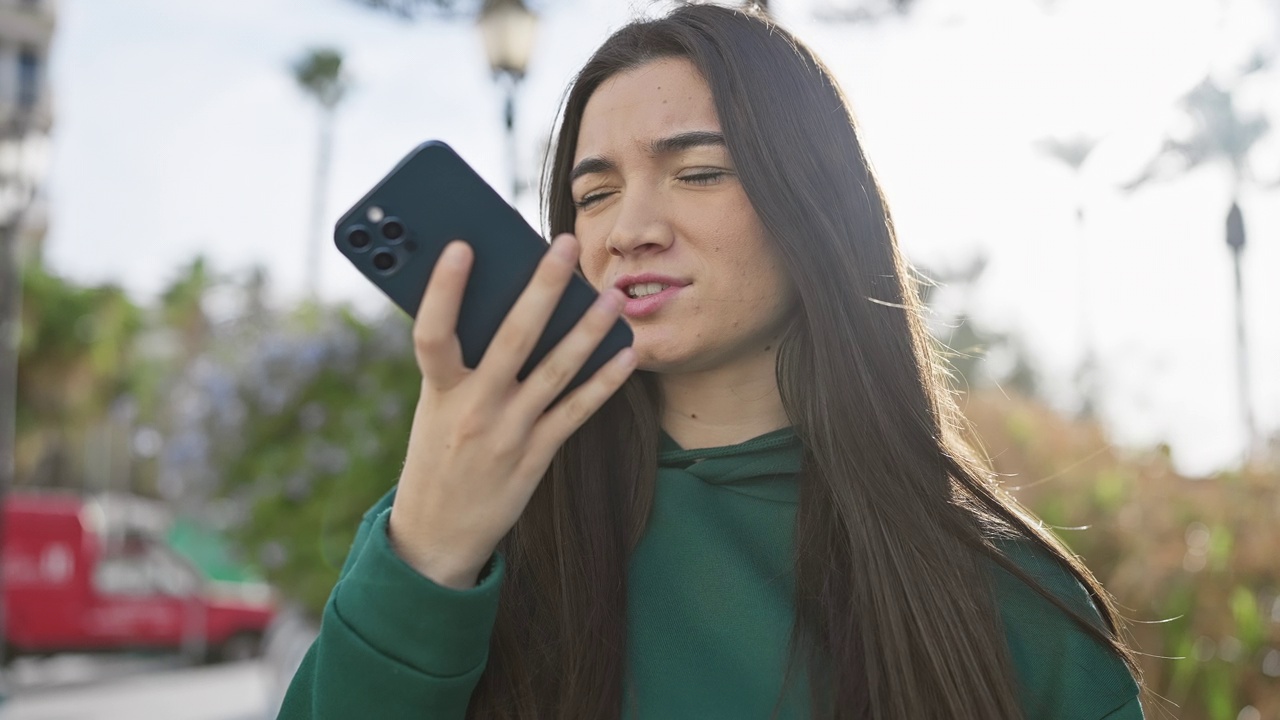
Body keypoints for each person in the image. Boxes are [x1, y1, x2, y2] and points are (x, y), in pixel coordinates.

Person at [278, 3, 1144, 718]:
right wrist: (427, 551)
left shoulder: (1008, 596)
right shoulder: (476, 533)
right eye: (595, 193)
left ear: (813, 201)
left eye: (698, 173)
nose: (629, 230)